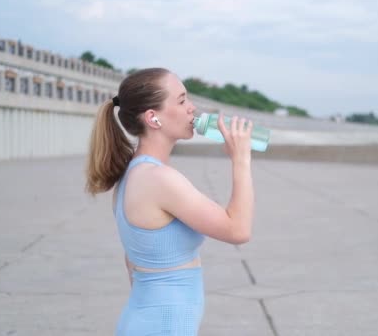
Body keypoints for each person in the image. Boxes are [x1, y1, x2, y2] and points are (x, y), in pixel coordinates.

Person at [84, 68, 254, 335]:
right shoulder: (158, 179)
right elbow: (238, 230)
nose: (192, 108)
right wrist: (241, 159)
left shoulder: (132, 174)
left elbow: (132, 262)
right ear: (153, 118)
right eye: (182, 100)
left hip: (149, 321)